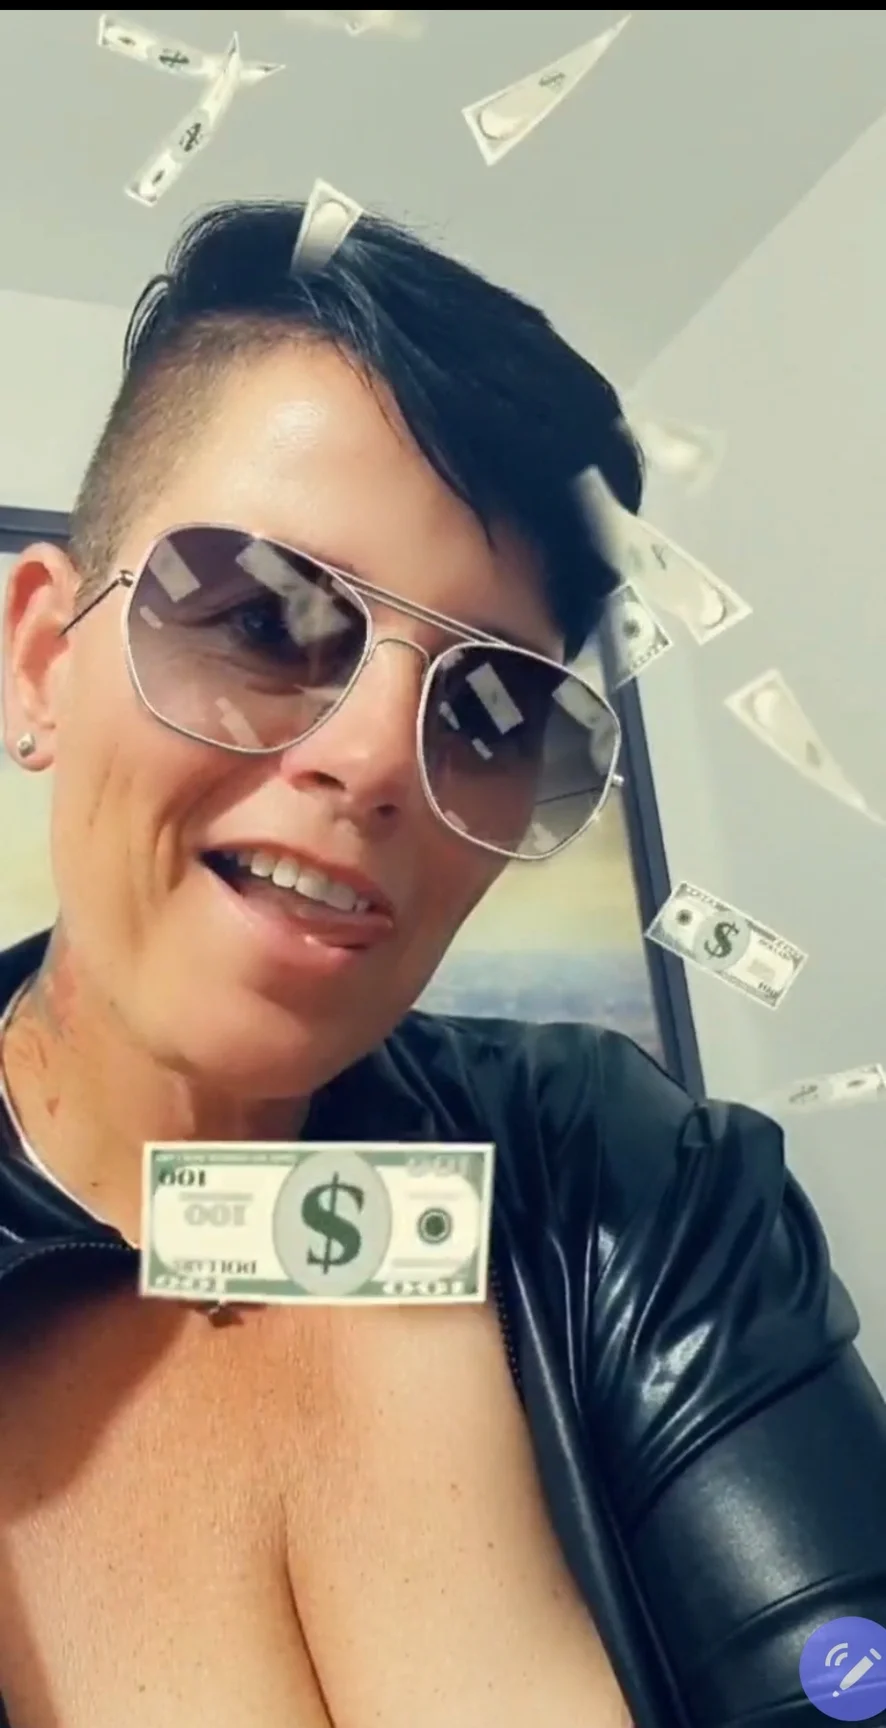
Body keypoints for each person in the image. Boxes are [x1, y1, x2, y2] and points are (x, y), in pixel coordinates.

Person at [0, 199, 884, 1728]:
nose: (375, 761)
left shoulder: (621, 1176)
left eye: (490, 710)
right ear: (41, 663)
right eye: (259, 618)